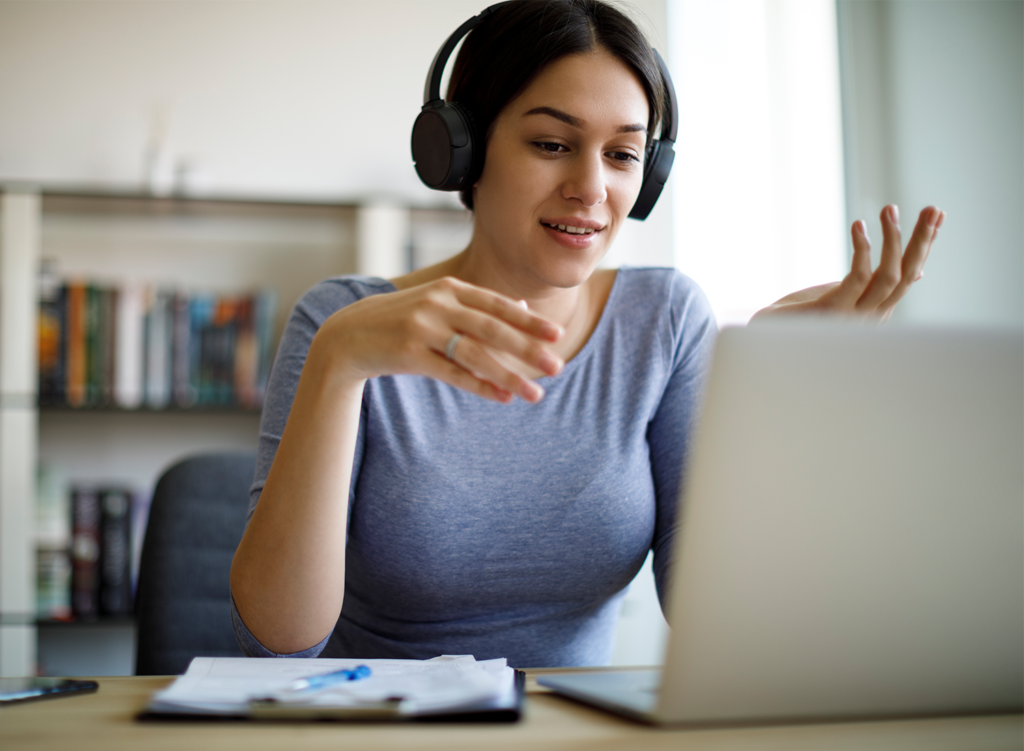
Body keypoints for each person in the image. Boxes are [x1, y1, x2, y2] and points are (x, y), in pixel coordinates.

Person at [229, 0, 944, 668]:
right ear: (461, 150)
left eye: (623, 155)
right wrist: (340, 363)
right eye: (552, 143)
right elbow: (280, 636)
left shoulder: (664, 321)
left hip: (577, 733)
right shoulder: (343, 324)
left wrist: (768, 400)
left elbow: (720, 620)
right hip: (382, 726)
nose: (592, 188)